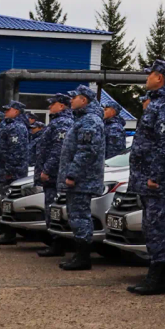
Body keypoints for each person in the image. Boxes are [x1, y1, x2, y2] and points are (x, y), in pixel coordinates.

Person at [127, 60, 165, 295]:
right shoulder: (160, 103)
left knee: (157, 227)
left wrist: (155, 175)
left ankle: (159, 278)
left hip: (160, 181)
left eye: (149, 74)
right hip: (152, 180)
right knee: (151, 227)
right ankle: (155, 273)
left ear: (160, 78)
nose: (147, 78)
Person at [58, 85, 107, 271]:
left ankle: (83, 257)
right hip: (80, 178)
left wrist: (72, 174)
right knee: (76, 215)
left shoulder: (90, 121)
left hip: (82, 179)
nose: (71, 100)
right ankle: (80, 254)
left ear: (84, 100)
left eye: (75, 97)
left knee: (80, 216)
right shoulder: (82, 119)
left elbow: (86, 151)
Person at [33, 92, 74, 258]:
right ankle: (55, 242)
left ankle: (57, 244)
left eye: (53, 104)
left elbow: (58, 150)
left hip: (54, 175)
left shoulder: (63, 123)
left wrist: (47, 170)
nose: (50, 106)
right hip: (52, 175)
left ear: (62, 106)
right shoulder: (56, 122)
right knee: (50, 209)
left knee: (53, 209)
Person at [0, 101, 31, 245]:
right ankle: (7, 232)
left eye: (9, 109)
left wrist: (9, 170)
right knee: (5, 201)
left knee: (8, 202)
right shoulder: (9, 126)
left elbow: (16, 151)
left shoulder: (17, 128)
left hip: (12, 173)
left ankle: (10, 234)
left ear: (17, 111)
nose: (6, 112)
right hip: (6, 171)